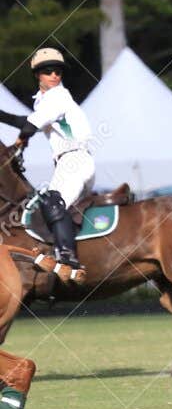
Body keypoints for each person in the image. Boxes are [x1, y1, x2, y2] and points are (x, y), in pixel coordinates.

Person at [0, 48, 98, 280]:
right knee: (43, 205)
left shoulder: (58, 97)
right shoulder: (44, 102)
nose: (54, 75)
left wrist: (19, 142)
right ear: (37, 75)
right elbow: (26, 121)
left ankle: (68, 259)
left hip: (75, 159)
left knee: (53, 201)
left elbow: (30, 126)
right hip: (67, 163)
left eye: (58, 71)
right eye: (48, 71)